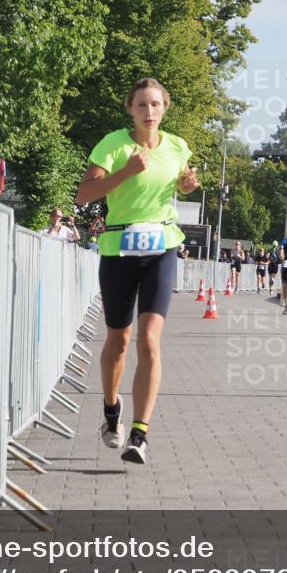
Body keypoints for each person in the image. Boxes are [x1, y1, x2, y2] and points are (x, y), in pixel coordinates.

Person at [74, 77, 198, 465]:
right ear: (130, 108)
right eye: (142, 105)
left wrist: (187, 185)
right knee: (119, 340)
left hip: (162, 247)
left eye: (156, 104)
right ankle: (112, 410)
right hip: (118, 250)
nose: (149, 112)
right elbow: (84, 195)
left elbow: (181, 184)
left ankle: (140, 434)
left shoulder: (176, 146)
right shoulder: (113, 145)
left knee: (150, 339)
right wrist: (126, 172)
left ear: (165, 108)